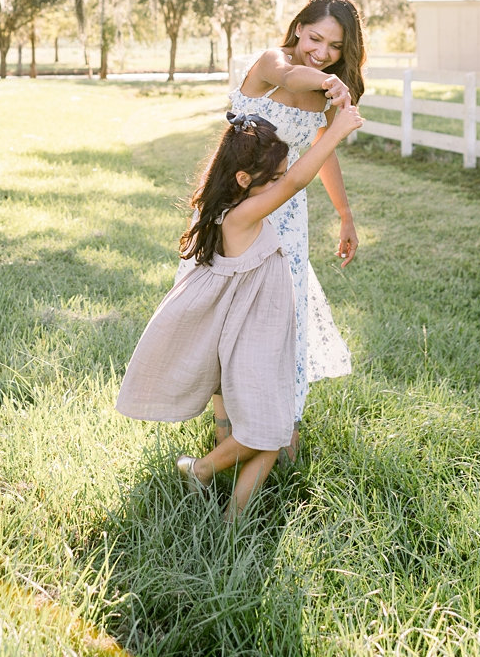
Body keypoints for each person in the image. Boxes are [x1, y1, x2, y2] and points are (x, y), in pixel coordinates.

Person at [116, 100, 364, 519]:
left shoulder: (229, 207)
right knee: (265, 430)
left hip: (264, 332)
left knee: (273, 430)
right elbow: (298, 183)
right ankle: (201, 469)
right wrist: (336, 131)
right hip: (252, 338)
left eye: (282, 175)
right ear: (244, 179)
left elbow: (288, 183)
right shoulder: (240, 217)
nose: (281, 184)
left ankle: (233, 519)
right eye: (275, 179)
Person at [225, 0, 367, 459]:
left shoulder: (323, 94)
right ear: (299, 27)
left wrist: (345, 215)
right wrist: (330, 85)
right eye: (315, 38)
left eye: (334, 49)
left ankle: (279, 419)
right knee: (229, 311)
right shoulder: (273, 64)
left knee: (281, 317)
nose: (321, 53)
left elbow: (323, 158)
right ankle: (228, 423)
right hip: (239, 211)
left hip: (288, 220)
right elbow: (290, 73)